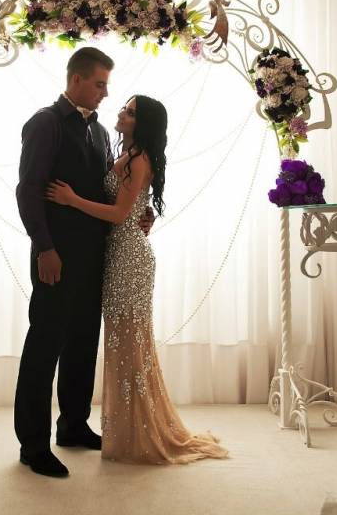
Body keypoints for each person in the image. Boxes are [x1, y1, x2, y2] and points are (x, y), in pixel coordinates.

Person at [46, 94, 229, 464]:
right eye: (125, 109)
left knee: (129, 345)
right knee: (123, 345)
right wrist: (143, 213)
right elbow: (132, 207)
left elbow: (118, 214)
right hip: (119, 254)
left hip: (129, 260)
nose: (121, 113)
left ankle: (141, 433)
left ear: (142, 124)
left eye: (130, 113)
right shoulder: (127, 155)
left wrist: (71, 199)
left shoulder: (139, 158)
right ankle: (130, 431)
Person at [13, 47, 152, 478]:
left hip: (96, 257)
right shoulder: (45, 123)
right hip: (56, 255)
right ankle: (33, 445)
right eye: (99, 84)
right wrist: (44, 248)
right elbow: (27, 190)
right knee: (45, 345)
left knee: (82, 344)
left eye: (107, 85)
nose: (105, 93)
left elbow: (108, 190)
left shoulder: (101, 132)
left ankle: (73, 425)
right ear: (76, 79)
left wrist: (140, 212)